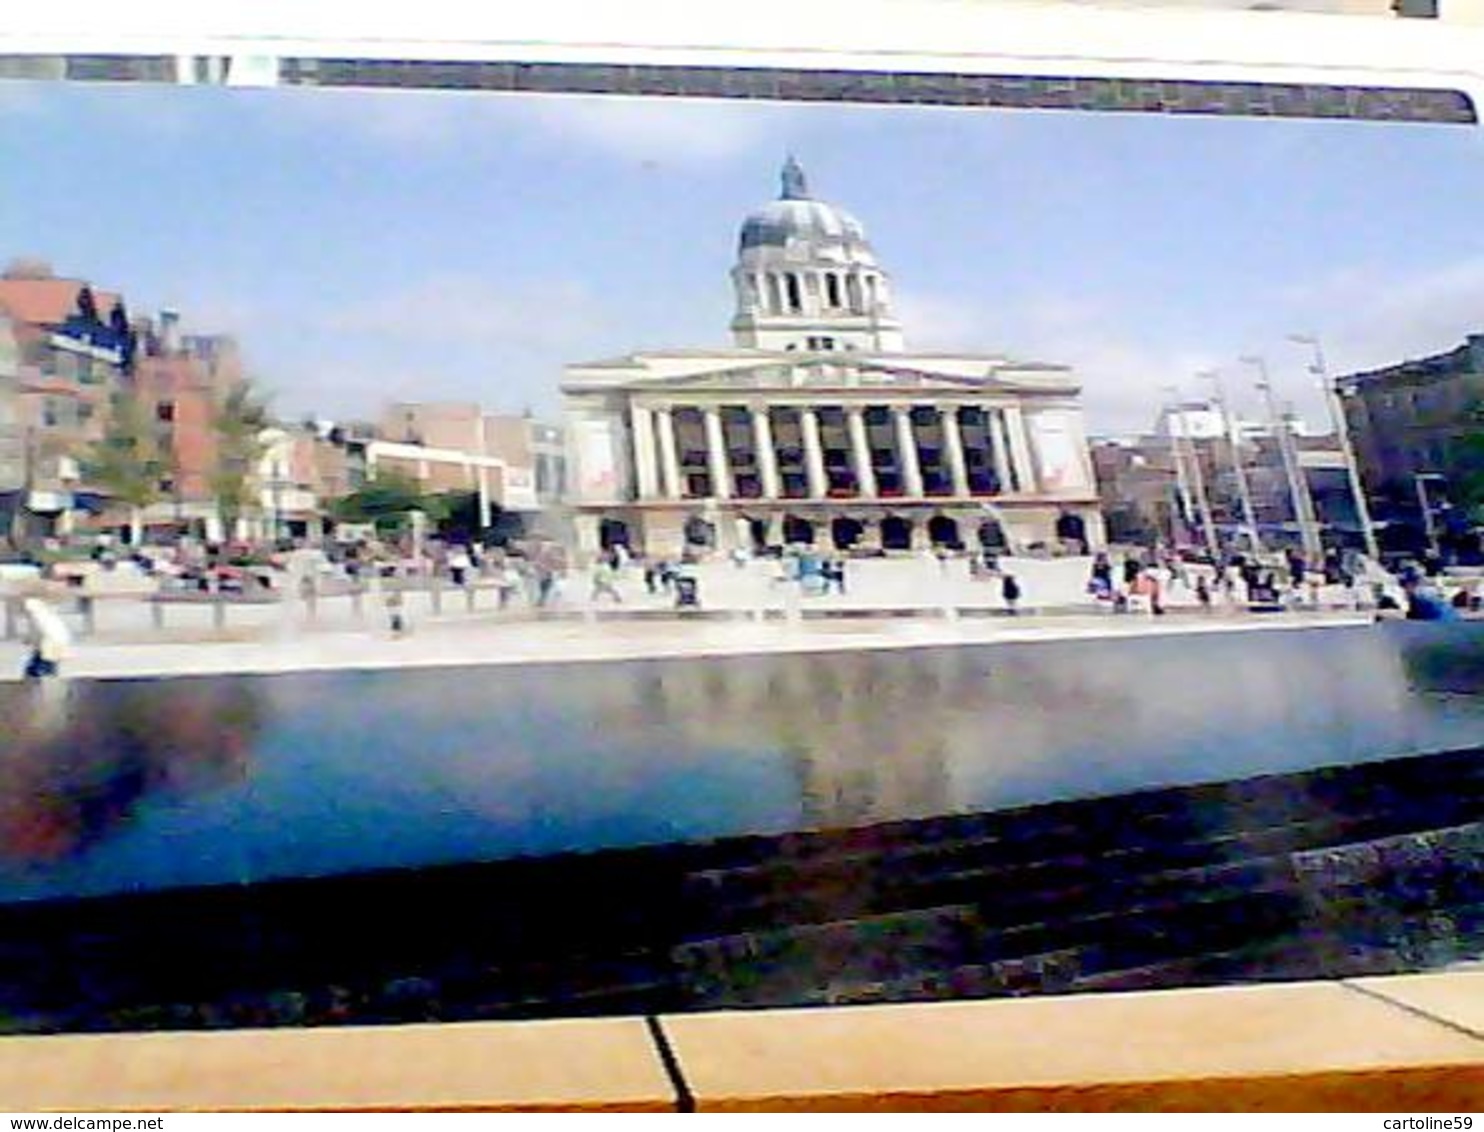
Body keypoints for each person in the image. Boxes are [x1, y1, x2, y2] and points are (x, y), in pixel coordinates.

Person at [21, 597, 71, 679]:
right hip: (51, 644)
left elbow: (39, 632)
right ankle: (48, 680)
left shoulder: (38, 616)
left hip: (48, 645)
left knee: (41, 666)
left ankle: (43, 681)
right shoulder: (46, 615)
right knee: (47, 665)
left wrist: (29, 640)